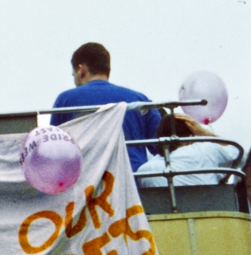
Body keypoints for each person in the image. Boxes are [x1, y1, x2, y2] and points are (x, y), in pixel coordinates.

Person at [50, 42, 160, 171]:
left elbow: (54, 149)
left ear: (81, 70)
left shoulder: (65, 100)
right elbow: (162, 146)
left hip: (85, 182)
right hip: (133, 180)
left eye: (73, 74)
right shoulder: (140, 100)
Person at [136, 113, 239, 187]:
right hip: (209, 215)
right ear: (190, 137)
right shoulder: (206, 151)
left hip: (167, 217)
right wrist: (205, 134)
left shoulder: (144, 171)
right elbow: (238, 153)